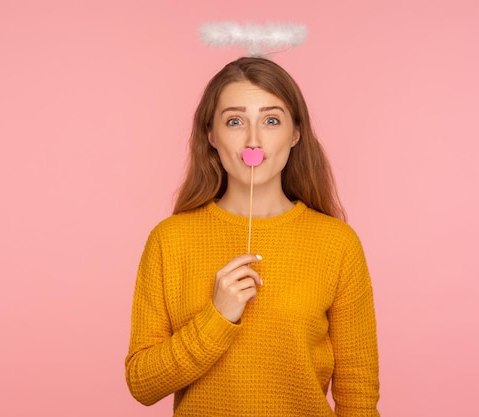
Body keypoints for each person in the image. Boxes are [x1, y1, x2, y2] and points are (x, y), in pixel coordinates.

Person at [125, 57, 380, 417]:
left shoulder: (337, 243)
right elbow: (143, 384)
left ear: (295, 134)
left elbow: (358, 394)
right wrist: (218, 317)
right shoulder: (170, 240)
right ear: (211, 135)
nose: (253, 140)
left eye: (271, 120)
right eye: (235, 121)